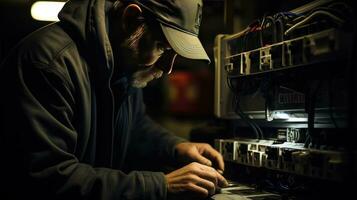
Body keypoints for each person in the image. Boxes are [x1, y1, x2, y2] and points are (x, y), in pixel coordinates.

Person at [0, 0, 228, 199]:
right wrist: (161, 185)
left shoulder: (124, 66)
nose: (168, 68)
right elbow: (48, 178)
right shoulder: (46, 65)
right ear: (129, 19)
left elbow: (134, 126)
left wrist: (175, 147)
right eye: (162, 48)